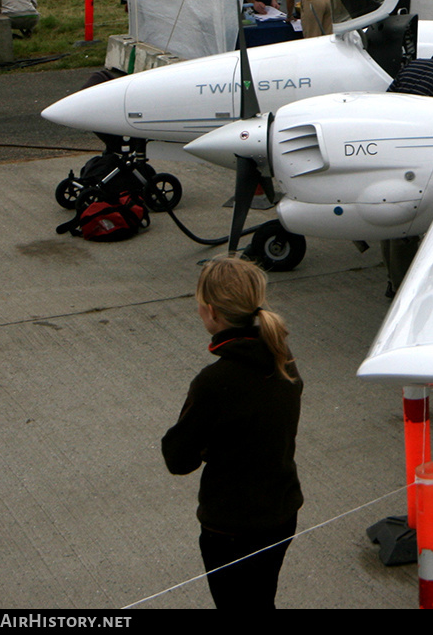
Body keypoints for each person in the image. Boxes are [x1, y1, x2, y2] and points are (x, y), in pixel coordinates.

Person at [163, 256, 302, 610]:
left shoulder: (214, 382)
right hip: (281, 511)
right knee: (260, 600)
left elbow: (178, 458)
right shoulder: (281, 358)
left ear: (211, 312)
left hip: (231, 527)